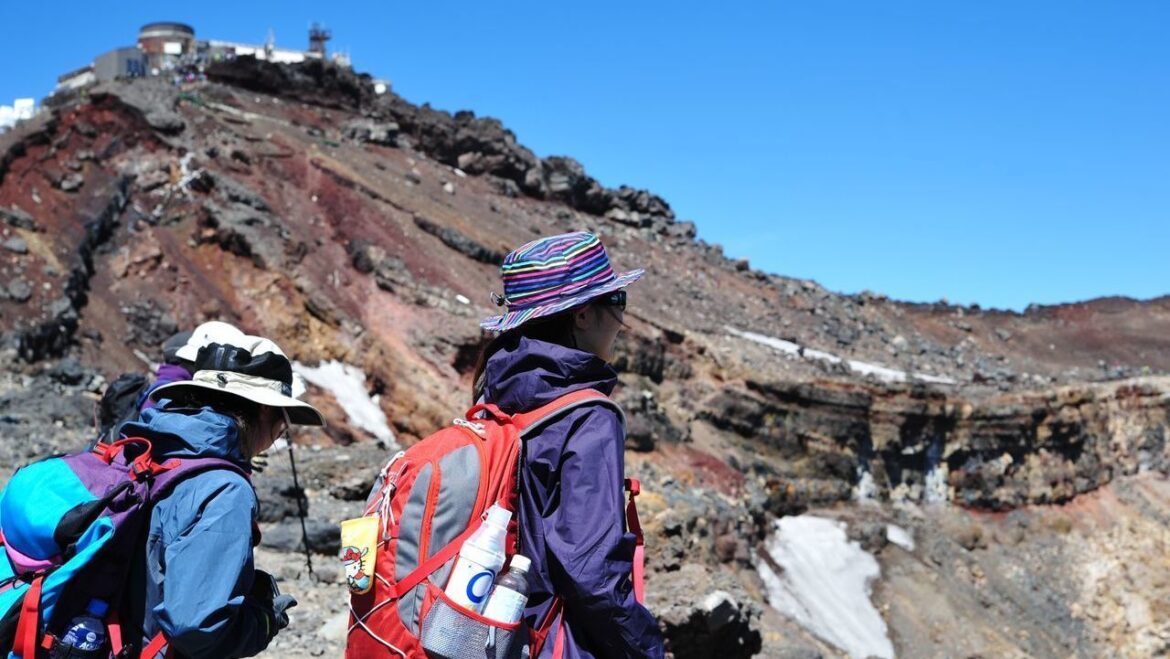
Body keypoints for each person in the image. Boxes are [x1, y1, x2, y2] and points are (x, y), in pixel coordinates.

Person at [475, 231, 665, 659]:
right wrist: (646, 649)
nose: (622, 319)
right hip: (556, 643)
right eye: (616, 299)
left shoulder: (495, 396)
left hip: (490, 633)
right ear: (582, 315)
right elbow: (591, 573)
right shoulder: (589, 417)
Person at [118, 333, 325, 658]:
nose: (280, 433)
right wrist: (264, 620)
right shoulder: (225, 490)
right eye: (283, 420)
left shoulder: (145, 447)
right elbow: (196, 629)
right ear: (261, 410)